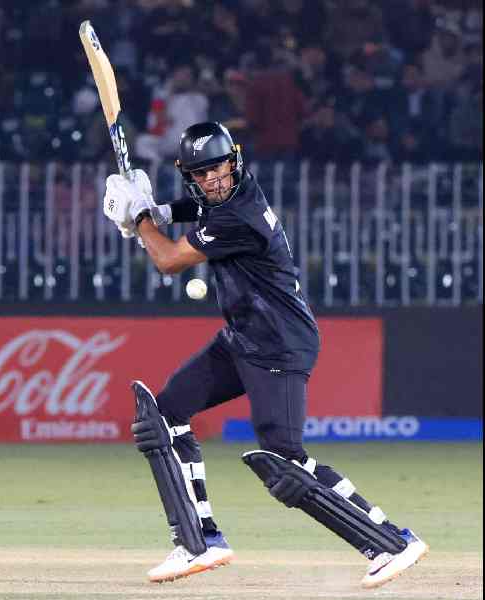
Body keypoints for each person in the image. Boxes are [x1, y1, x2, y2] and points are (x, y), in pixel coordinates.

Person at [101, 121, 429, 589]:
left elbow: (169, 261)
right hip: (242, 337)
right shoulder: (222, 196)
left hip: (280, 342)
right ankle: (200, 540)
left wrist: (141, 220)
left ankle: (392, 541)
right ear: (190, 176)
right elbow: (193, 209)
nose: (213, 179)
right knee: (165, 417)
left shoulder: (241, 214)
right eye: (201, 173)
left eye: (218, 168)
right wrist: (154, 210)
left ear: (234, 162)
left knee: (285, 461)